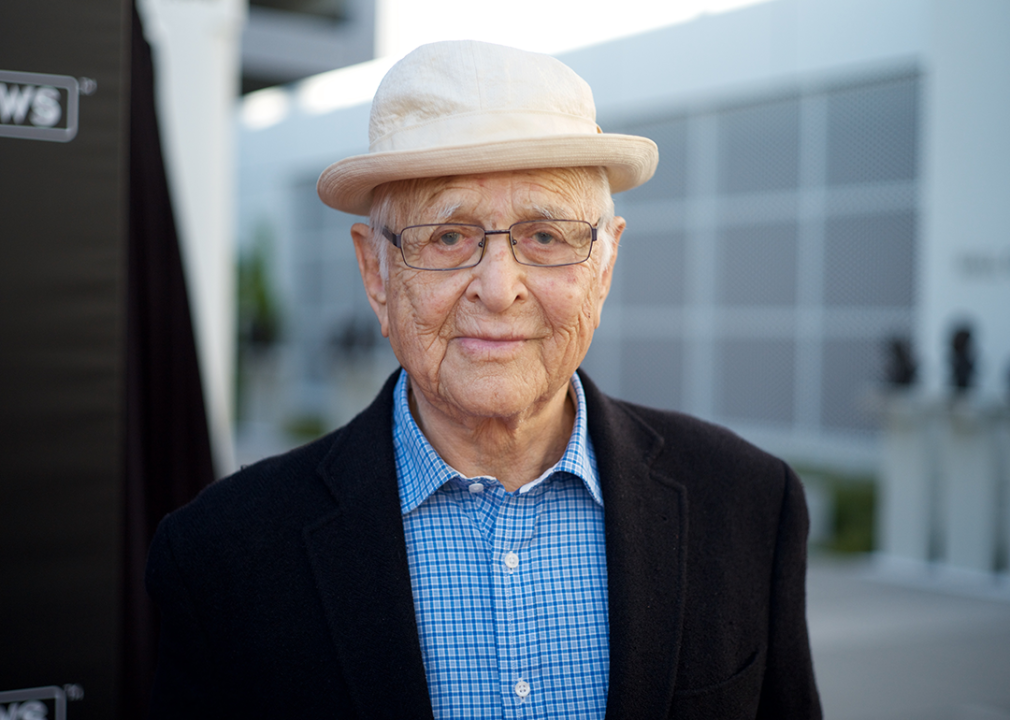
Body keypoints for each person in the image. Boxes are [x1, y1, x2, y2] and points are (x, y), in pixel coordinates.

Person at [146, 40, 821, 719]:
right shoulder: (219, 557)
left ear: (606, 264)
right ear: (376, 273)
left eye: (546, 236)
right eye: (447, 236)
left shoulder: (748, 505)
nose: (499, 291)